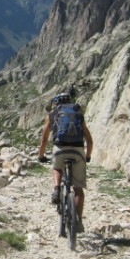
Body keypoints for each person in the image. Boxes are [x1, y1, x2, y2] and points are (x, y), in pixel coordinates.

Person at [37, 93, 93, 232]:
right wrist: (87, 156)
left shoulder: (52, 115)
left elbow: (44, 139)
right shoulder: (78, 115)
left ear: (56, 104)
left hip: (60, 148)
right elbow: (89, 140)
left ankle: (57, 189)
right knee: (78, 190)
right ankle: (78, 221)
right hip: (78, 150)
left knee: (57, 168)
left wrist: (41, 155)